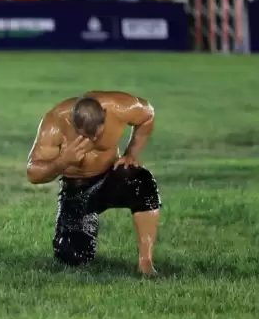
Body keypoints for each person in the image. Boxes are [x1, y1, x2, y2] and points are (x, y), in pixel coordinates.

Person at [26, 92, 161, 275]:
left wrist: (131, 153)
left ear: (104, 117)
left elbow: (148, 115)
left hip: (109, 177)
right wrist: (62, 162)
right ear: (73, 123)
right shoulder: (55, 122)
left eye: (96, 135)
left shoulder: (119, 107)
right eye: (84, 136)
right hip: (77, 189)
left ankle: (146, 262)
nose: (91, 141)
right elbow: (33, 174)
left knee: (141, 181)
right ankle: (84, 224)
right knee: (72, 256)